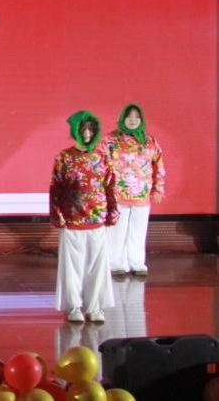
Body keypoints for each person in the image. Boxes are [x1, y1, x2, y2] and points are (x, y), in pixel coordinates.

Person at [50, 110, 118, 323]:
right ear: (75, 131)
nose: (87, 134)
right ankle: (74, 306)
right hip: (72, 219)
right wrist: (57, 214)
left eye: (91, 129)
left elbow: (110, 186)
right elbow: (56, 188)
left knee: (97, 266)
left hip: (97, 218)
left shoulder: (102, 156)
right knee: (72, 267)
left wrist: (112, 212)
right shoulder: (64, 157)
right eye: (83, 129)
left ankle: (95, 307)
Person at [105, 104, 166, 276]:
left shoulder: (149, 141)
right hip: (117, 193)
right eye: (129, 116)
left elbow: (159, 165)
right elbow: (99, 164)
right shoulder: (111, 140)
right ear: (123, 118)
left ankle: (137, 263)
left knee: (138, 231)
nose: (133, 120)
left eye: (136, 117)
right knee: (116, 230)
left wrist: (158, 189)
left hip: (142, 194)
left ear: (141, 120)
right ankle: (116, 263)